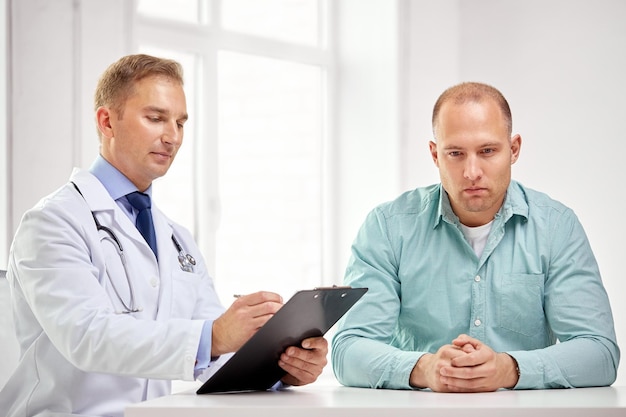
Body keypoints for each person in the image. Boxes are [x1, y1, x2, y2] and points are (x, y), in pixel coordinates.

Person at [0, 54, 328, 417]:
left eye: (180, 123)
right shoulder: (53, 221)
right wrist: (215, 336)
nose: (172, 137)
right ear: (107, 121)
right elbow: (86, 337)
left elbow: (210, 354)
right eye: (155, 118)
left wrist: (280, 368)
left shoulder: (176, 238)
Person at [331, 81, 620, 392]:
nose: (471, 172)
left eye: (487, 151)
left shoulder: (556, 226)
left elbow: (599, 353)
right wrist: (425, 369)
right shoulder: (387, 227)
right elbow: (348, 349)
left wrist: (509, 370)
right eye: (455, 153)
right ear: (435, 154)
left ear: (514, 149)